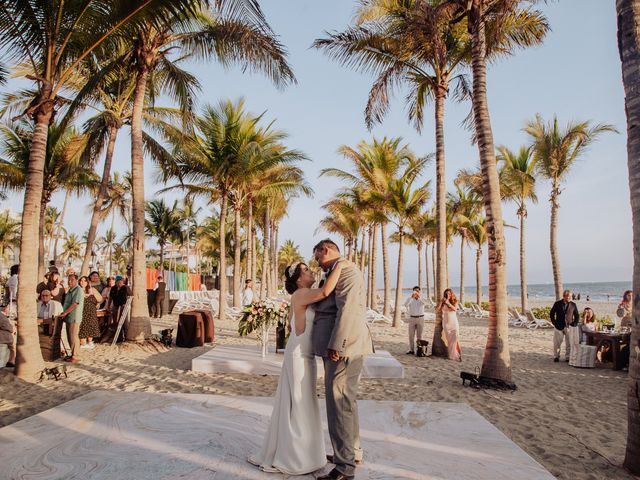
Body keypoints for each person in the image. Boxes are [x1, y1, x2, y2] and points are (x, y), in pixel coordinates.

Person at [249, 260, 350, 475]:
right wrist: (340, 266)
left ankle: (308, 454)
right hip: (298, 356)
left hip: (305, 356)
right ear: (297, 279)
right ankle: (296, 457)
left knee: (304, 403)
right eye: (305, 270)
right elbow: (325, 292)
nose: (310, 270)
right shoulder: (301, 294)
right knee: (300, 404)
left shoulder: (306, 294)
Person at [312, 239, 373, 480]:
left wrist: (337, 345)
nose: (317, 262)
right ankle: (350, 453)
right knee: (347, 403)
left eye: (317, 257)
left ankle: (344, 467)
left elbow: (347, 310)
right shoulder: (339, 270)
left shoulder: (346, 272)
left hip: (343, 349)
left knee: (338, 405)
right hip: (345, 346)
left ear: (325, 250)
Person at [58, 274, 84, 363]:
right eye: (68, 280)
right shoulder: (70, 290)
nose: (70, 281)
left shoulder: (78, 290)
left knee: (73, 336)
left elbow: (75, 304)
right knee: (70, 336)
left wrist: (65, 312)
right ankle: (73, 354)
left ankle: (76, 355)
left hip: (74, 317)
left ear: (76, 280)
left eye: (72, 280)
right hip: (68, 317)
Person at [550, 289, 579, 362]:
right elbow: (552, 313)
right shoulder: (557, 303)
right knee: (557, 343)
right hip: (558, 326)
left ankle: (567, 357)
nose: (570, 298)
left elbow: (577, 315)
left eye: (570, 296)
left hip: (569, 327)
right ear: (564, 296)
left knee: (569, 343)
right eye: (568, 296)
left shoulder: (573, 304)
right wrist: (554, 323)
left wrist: (574, 324)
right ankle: (556, 356)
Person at [437, 288, 461, 362]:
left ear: (452, 294)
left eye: (449, 293)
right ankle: (451, 355)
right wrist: (442, 302)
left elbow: (455, 309)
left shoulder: (455, 301)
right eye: (446, 294)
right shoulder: (443, 302)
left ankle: (458, 354)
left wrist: (448, 303)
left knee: (456, 338)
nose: (448, 295)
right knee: (449, 340)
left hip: (454, 322)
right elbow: (437, 309)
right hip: (446, 323)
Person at [78, 276, 102, 349]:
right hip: (81, 311)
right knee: (82, 327)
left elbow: (100, 299)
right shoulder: (78, 290)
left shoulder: (92, 289)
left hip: (91, 311)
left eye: (85, 281)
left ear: (87, 282)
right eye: (81, 281)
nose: (83, 282)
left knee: (91, 326)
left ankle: (90, 342)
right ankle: (83, 343)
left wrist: (93, 293)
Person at [403, 286, 427, 355]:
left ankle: (419, 350)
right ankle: (411, 350)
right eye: (415, 291)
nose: (416, 292)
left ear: (419, 292)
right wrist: (411, 297)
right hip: (412, 318)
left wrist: (419, 297)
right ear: (413, 291)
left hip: (420, 318)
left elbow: (424, 303)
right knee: (411, 335)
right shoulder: (410, 299)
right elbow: (406, 305)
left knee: (419, 336)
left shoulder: (422, 299)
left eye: (418, 291)